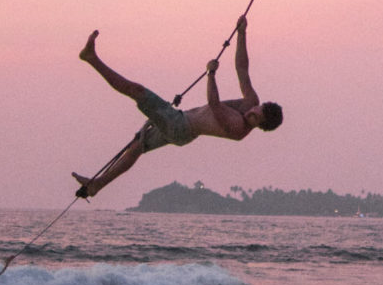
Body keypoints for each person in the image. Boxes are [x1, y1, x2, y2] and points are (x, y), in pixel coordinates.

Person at [72, 17, 282, 199]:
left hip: (179, 126)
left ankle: (91, 58)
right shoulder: (251, 102)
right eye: (258, 109)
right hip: (182, 125)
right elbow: (242, 68)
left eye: (256, 117)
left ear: (260, 126)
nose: (252, 112)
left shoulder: (238, 128)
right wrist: (242, 33)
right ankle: (96, 185)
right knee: (137, 147)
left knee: (136, 91)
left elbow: (214, 105)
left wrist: (211, 74)